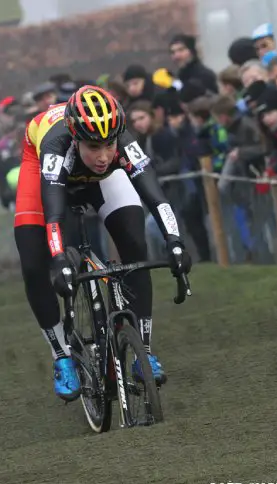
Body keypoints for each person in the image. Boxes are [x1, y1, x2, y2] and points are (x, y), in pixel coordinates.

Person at [13, 85, 192, 401]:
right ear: (77, 137)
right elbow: (53, 215)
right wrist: (57, 257)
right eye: (94, 147)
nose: (104, 155)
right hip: (48, 175)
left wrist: (175, 241)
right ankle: (62, 357)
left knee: (135, 245)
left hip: (105, 182)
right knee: (33, 261)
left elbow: (156, 197)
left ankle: (143, 352)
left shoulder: (122, 140)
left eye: (109, 145)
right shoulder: (57, 144)